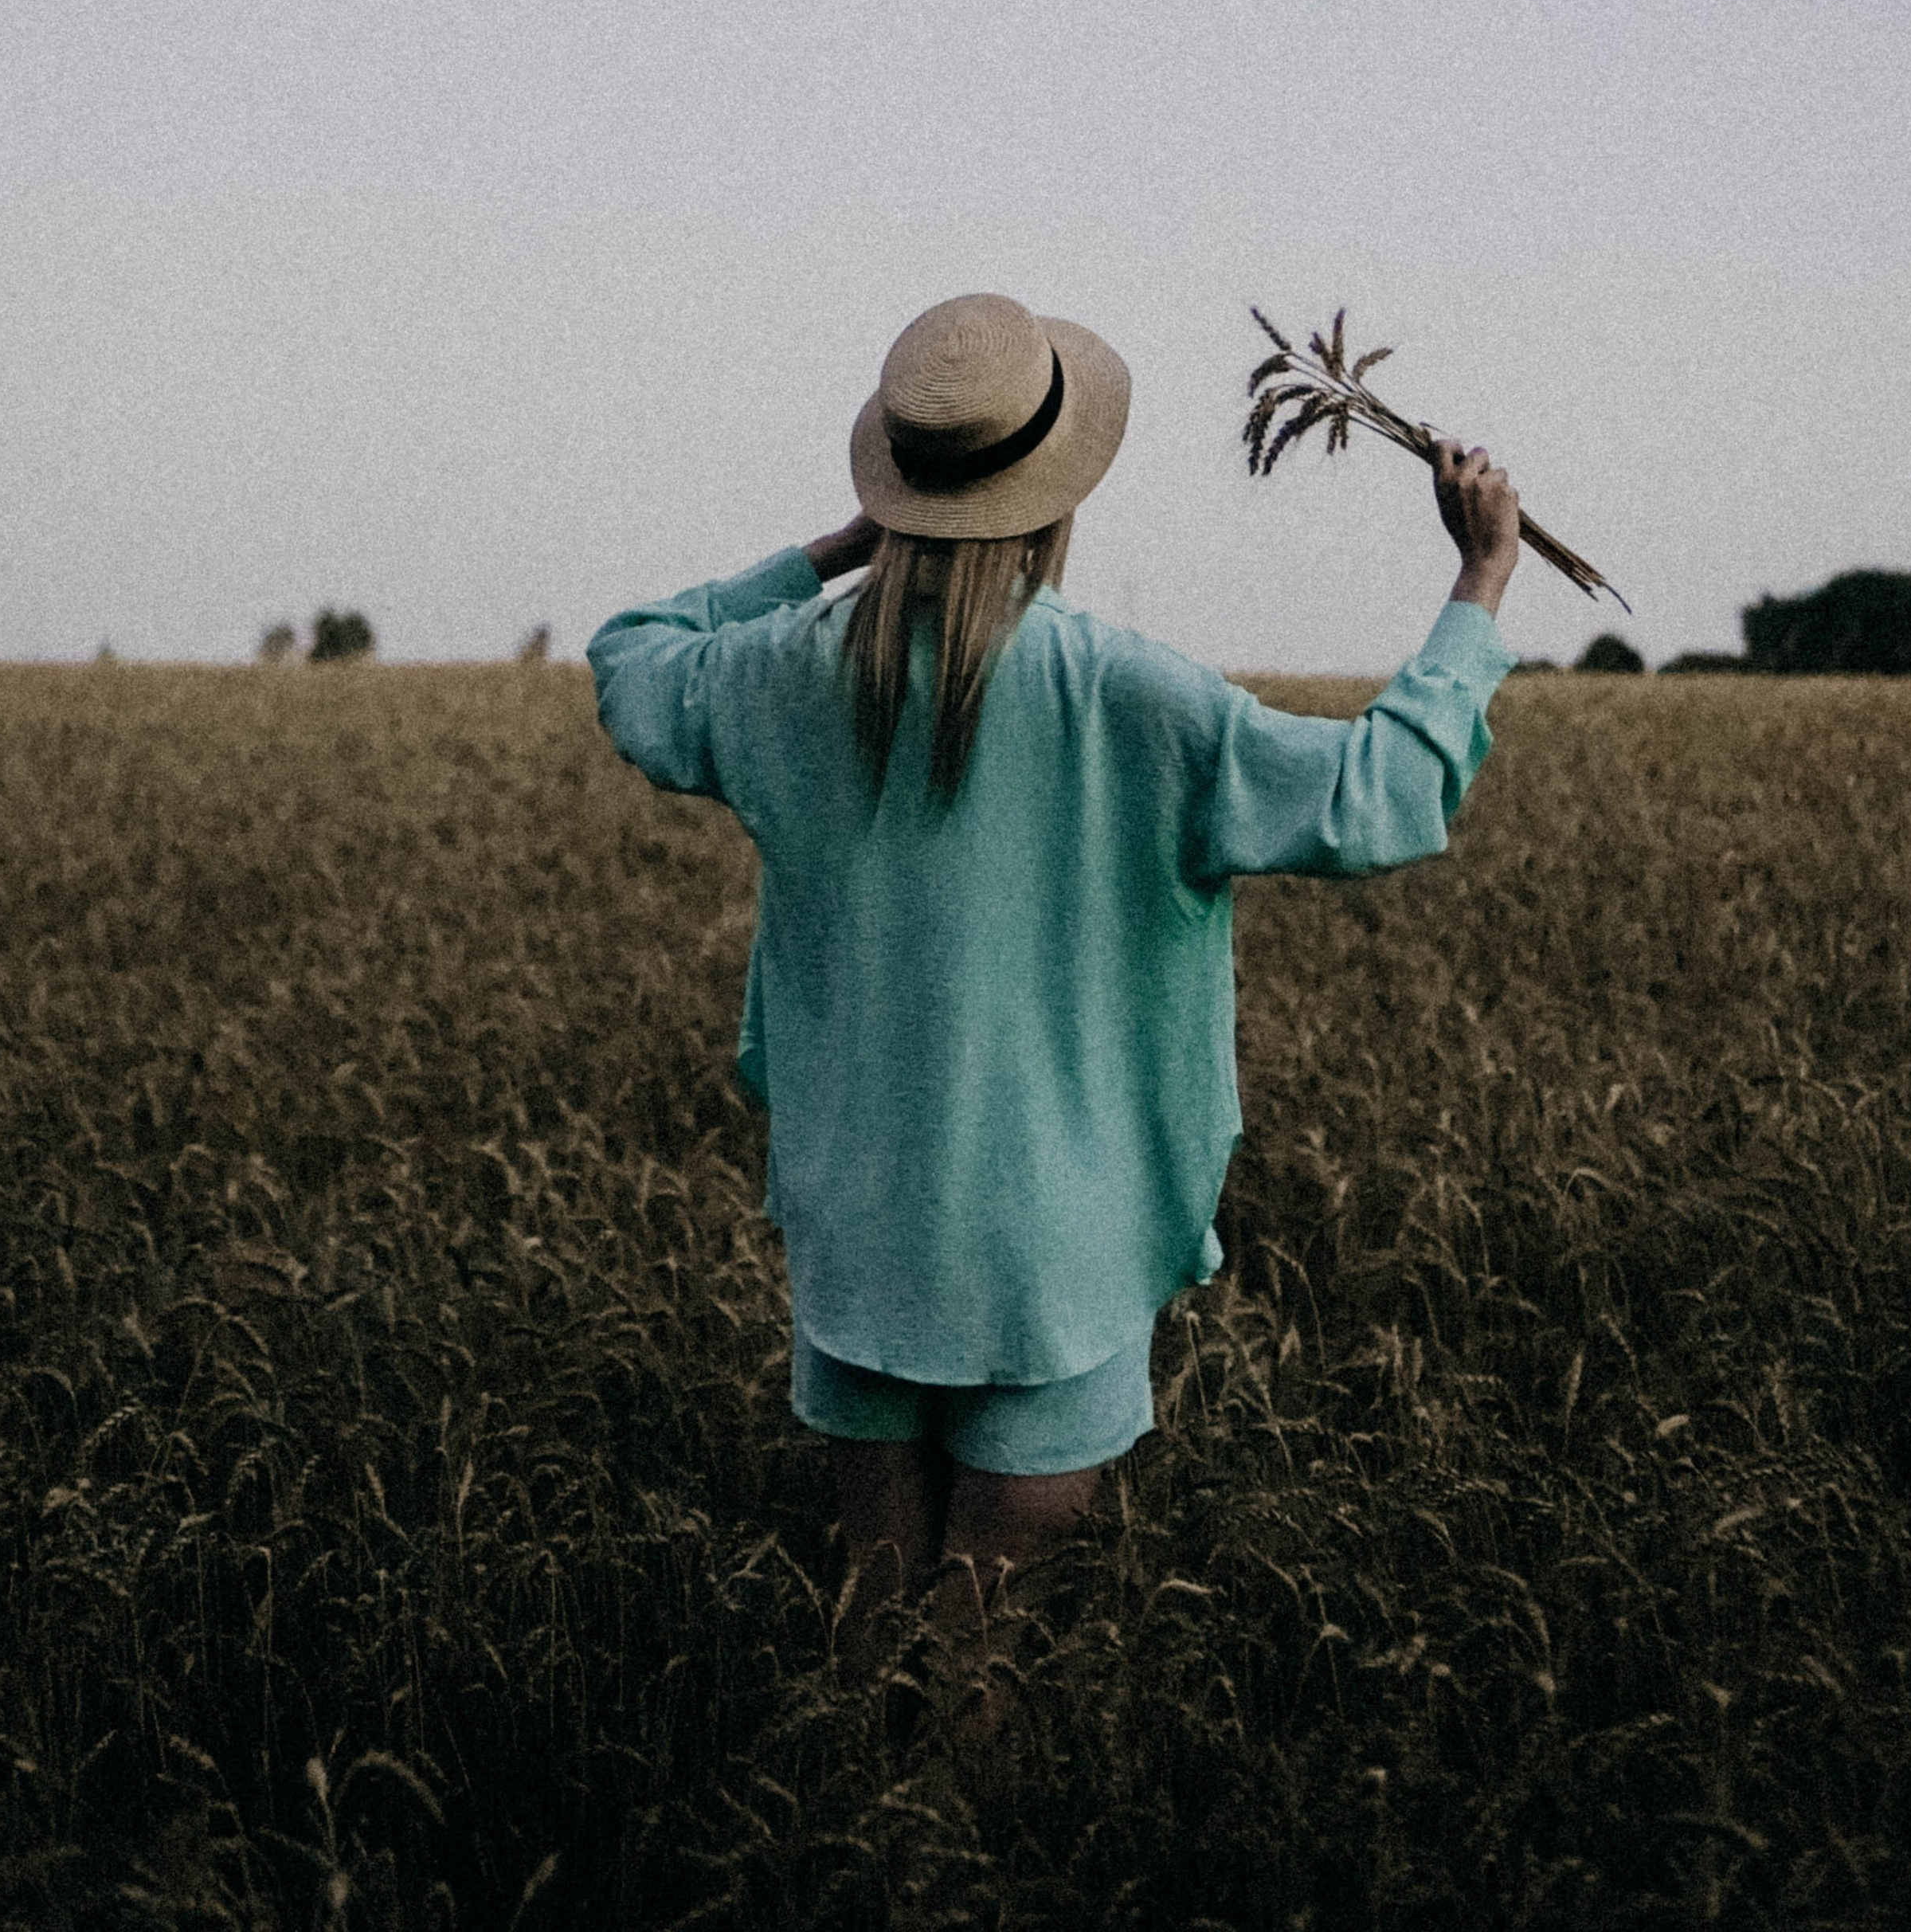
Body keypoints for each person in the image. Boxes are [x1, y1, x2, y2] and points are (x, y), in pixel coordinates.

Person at [587, 291, 1518, 1718]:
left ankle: (845, 1825)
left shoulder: (781, 674)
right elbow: (1380, 793)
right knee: (982, 1657)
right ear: (1057, 496)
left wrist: (836, 553)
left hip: (862, 1238)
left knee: (869, 1630)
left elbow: (629, 654)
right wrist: (1480, 580)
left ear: (901, 486)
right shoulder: (1125, 694)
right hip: (1051, 1260)